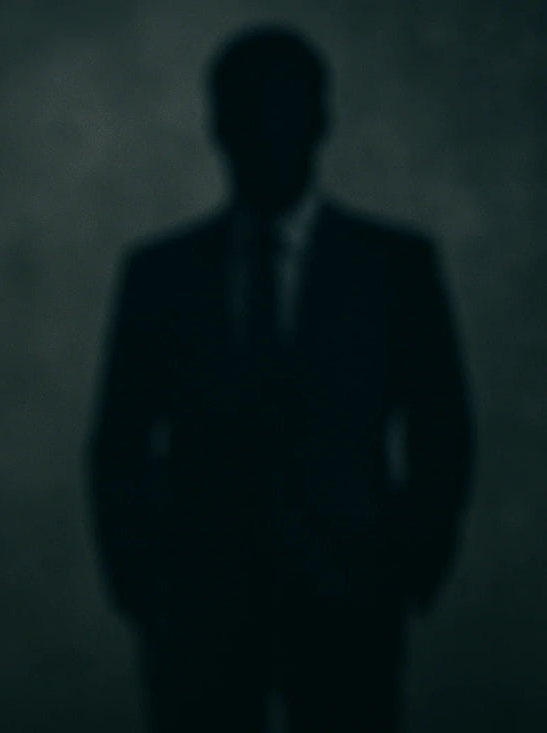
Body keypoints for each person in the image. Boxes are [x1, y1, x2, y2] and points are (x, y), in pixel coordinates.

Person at [88, 25, 473, 733]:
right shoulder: (160, 275)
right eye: (245, 111)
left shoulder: (395, 268)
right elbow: (119, 442)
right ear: (217, 124)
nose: (264, 133)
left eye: (283, 109)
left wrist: (407, 568)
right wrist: (145, 586)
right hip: (198, 609)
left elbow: (441, 429)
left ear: (320, 120)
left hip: (352, 598)